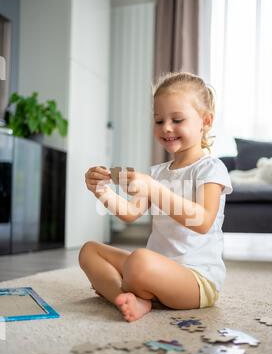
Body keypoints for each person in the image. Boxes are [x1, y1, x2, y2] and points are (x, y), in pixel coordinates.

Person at [79, 72, 232, 322]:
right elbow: (130, 214)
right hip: (153, 269)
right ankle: (131, 298)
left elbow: (203, 221)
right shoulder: (158, 173)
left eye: (177, 119)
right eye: (159, 120)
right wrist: (101, 190)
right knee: (89, 251)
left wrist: (154, 189)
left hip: (195, 280)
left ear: (205, 121)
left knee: (138, 261)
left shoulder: (210, 168)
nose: (167, 127)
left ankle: (124, 290)